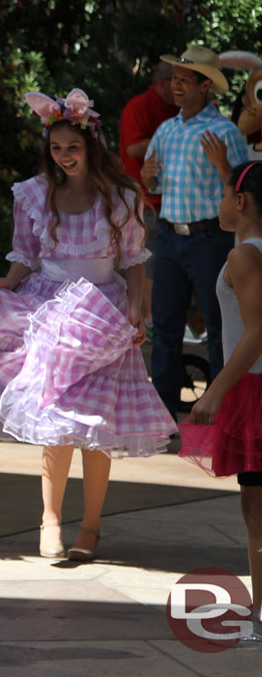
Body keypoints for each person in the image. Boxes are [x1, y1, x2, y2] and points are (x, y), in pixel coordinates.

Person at [0, 89, 177, 562]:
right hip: (50, 311)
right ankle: (51, 518)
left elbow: (136, 261)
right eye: (56, 149)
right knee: (56, 421)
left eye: (72, 148)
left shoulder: (121, 197)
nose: (64, 157)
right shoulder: (34, 194)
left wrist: (137, 309)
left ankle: (93, 526)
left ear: (91, 146)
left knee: (97, 426)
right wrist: (8, 282)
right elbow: (24, 255)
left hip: (104, 314)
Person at [141, 45, 250, 420]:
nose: (176, 86)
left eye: (185, 80)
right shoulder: (166, 130)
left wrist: (224, 167)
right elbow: (152, 182)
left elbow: (244, 193)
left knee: (220, 325)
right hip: (171, 236)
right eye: (174, 79)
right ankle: (165, 412)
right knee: (165, 325)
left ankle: (219, 411)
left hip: (209, 239)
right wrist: (146, 177)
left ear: (206, 86)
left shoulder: (225, 132)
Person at [178, 161, 262, 645]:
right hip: (251, 385)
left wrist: (216, 390)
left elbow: (257, 332)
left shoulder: (244, 258)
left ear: (242, 202)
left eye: (223, 193)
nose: (218, 203)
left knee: (257, 511)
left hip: (253, 389)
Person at [119, 61, 178, 332]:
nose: (179, 89)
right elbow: (132, 149)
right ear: (162, 83)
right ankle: (149, 321)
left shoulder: (173, 110)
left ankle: (156, 320)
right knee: (147, 263)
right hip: (144, 202)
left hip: (171, 203)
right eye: (175, 82)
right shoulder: (140, 106)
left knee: (162, 266)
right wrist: (173, 133)